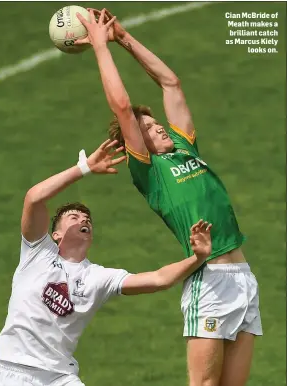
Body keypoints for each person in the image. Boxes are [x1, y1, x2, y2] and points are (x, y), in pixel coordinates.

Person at [75, 9, 262, 386]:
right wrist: (100, 47)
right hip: (208, 280)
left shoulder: (182, 147)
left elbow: (171, 84)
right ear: (136, 144)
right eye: (147, 128)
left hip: (243, 277)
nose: (157, 126)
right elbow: (122, 107)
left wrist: (123, 38)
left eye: (156, 123)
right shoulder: (150, 174)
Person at [0, 138, 212, 386]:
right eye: (74, 217)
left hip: (59, 377)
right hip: (12, 371)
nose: (84, 220)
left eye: (87, 219)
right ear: (56, 234)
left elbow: (160, 279)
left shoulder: (97, 277)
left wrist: (197, 257)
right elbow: (33, 199)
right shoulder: (38, 253)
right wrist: (84, 168)